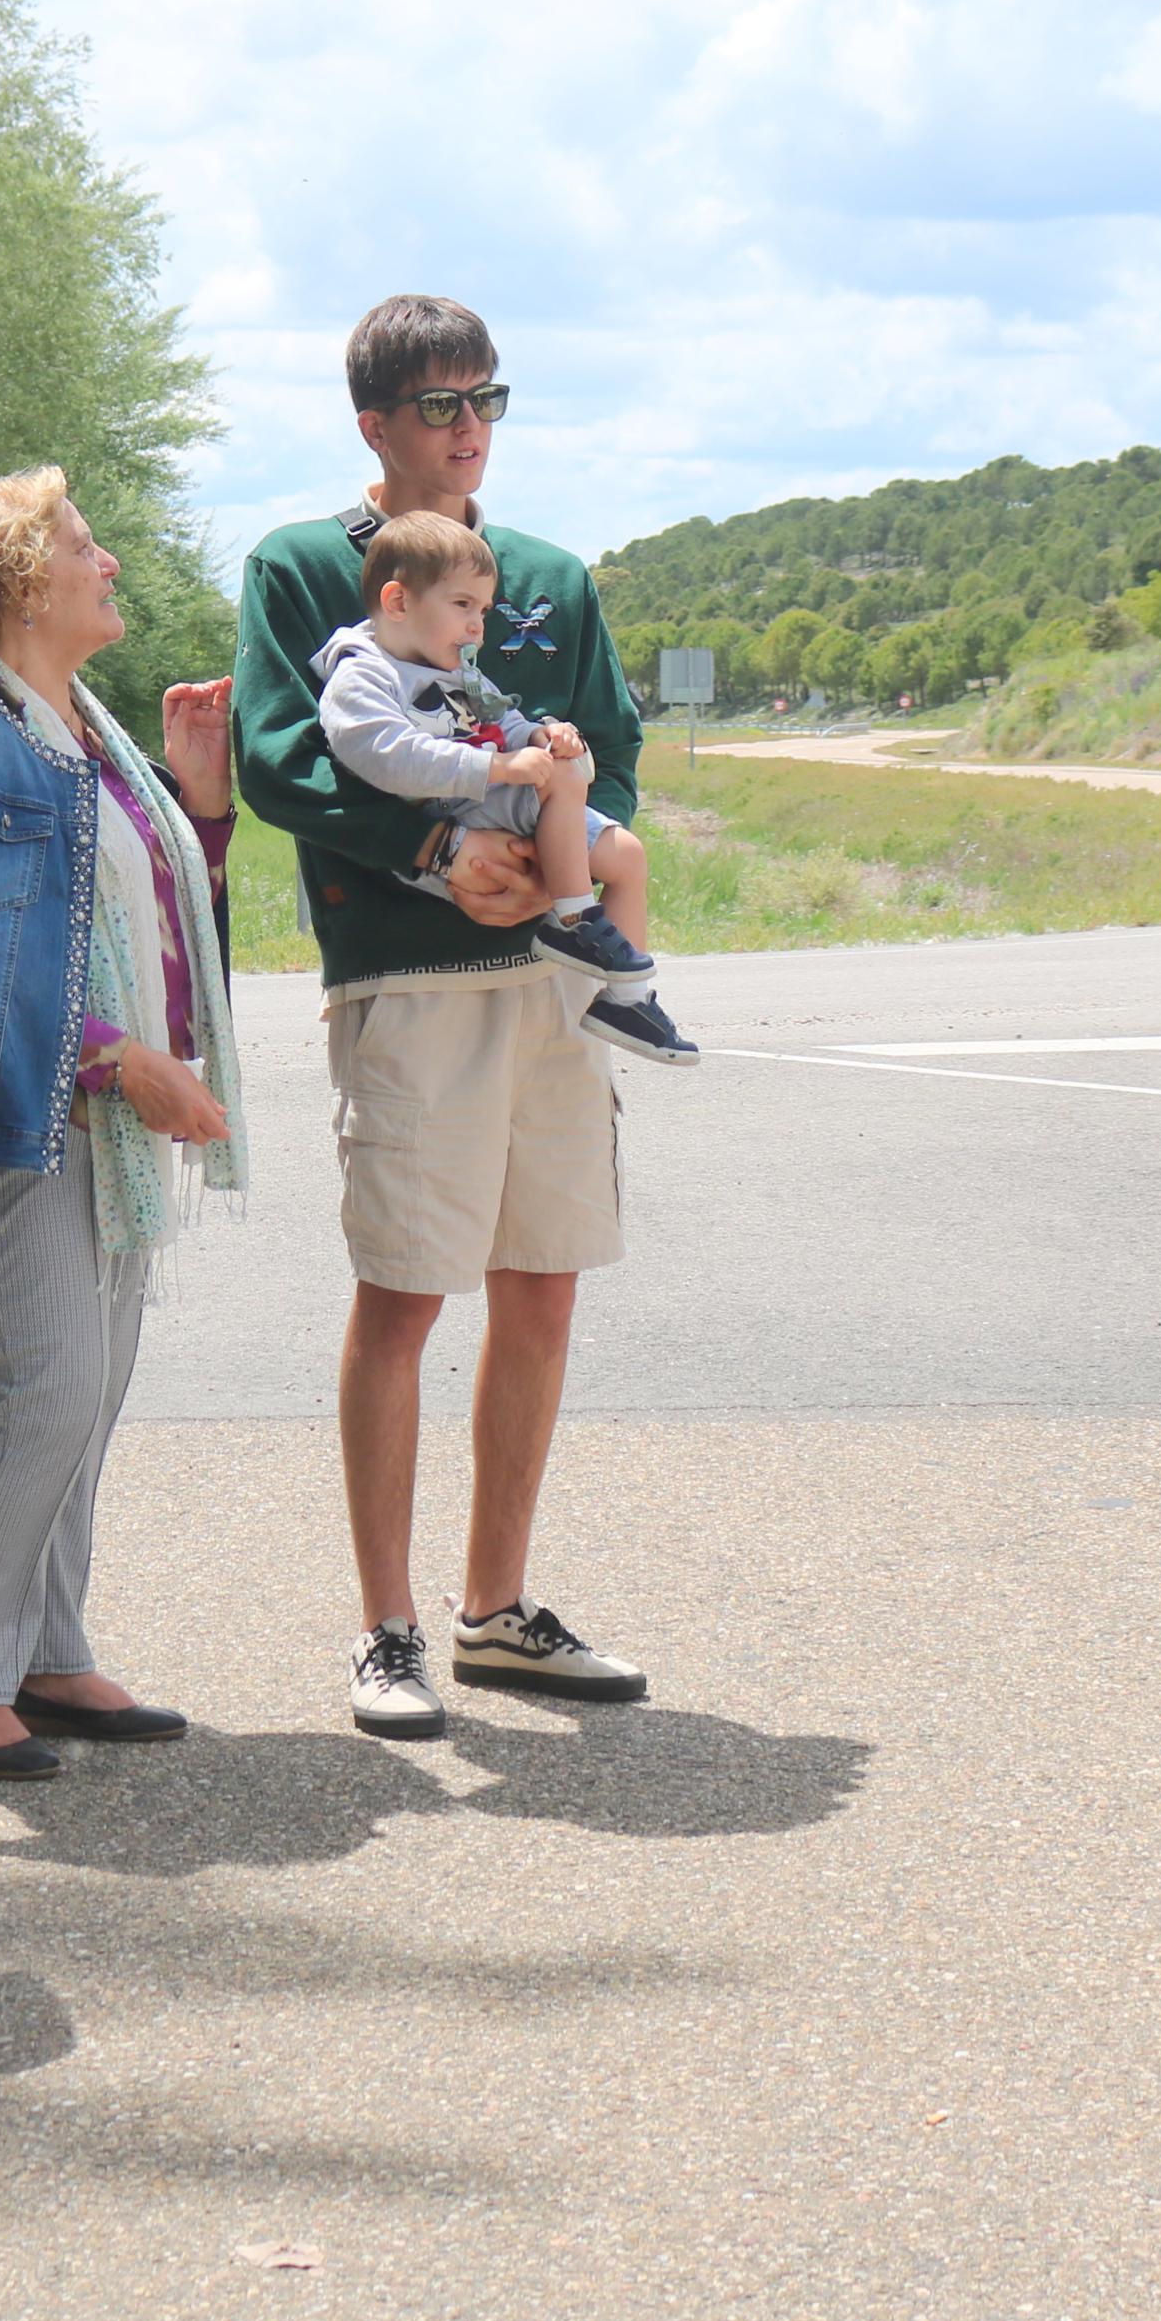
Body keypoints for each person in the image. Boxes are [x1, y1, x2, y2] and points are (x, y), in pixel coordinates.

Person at [232, 293, 654, 1739]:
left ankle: (496, 1609)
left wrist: (558, 860)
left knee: (541, 1281)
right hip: (405, 978)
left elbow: (620, 754)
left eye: (487, 401)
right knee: (405, 1292)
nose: (467, 430)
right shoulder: (303, 565)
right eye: (437, 406)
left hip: (546, 979)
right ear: (373, 424)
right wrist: (429, 854)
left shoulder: (545, 571)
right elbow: (282, 758)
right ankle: (388, 1629)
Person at [0, 469, 247, 1782]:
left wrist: (196, 804)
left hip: (100, 1124)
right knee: (51, 1384)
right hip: (16, 1118)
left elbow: (128, 917)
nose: (110, 560)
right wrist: (116, 1056)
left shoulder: (79, 729)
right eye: (85, 543)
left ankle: (45, 1648)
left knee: (92, 1391)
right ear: (19, 581)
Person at [308, 507, 692, 1062]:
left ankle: (628, 997)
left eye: (483, 611)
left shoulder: (458, 670)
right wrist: (496, 768)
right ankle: (575, 918)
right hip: (453, 812)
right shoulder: (363, 673)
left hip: (494, 797)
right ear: (398, 601)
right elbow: (381, 755)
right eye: (462, 605)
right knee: (560, 783)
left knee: (628, 855)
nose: (476, 627)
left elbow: (504, 720)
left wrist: (540, 735)